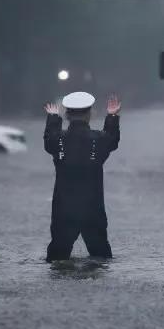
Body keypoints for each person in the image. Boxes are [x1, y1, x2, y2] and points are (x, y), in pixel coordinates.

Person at [43, 92, 121, 262]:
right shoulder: (98, 139)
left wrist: (53, 118)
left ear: (67, 115)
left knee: (57, 258)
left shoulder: (58, 139)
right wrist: (112, 116)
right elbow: (112, 139)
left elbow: (49, 140)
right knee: (101, 257)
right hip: (92, 208)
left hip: (63, 209)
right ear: (90, 115)